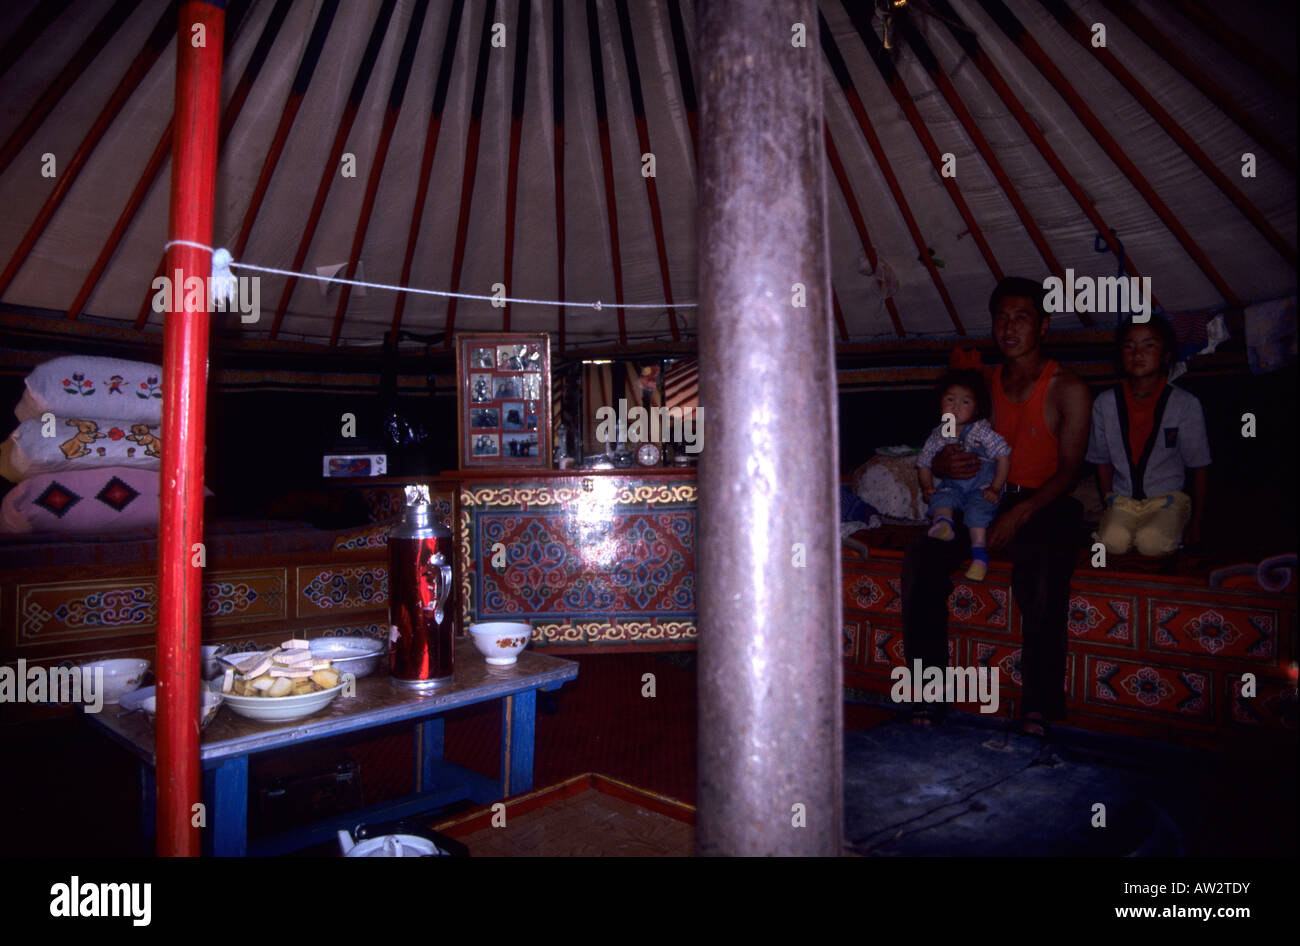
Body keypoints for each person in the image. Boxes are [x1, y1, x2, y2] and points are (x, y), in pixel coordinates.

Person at [902, 277, 1092, 735]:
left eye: (1021, 318)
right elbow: (946, 441)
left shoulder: (1069, 388)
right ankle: (929, 692)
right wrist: (948, 459)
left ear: (1043, 325)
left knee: (1043, 567)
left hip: (1043, 501)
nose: (1008, 328)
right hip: (982, 496)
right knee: (922, 556)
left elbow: (1069, 471)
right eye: (1001, 318)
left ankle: (1038, 704)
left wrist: (1019, 514)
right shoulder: (981, 385)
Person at [1086, 316, 1211, 555]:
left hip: (1167, 499)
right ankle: (1122, 523)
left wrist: (1197, 522)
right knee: (1112, 541)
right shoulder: (1105, 404)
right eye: (1129, 346)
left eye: (1149, 345)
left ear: (1165, 354)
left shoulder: (1184, 404)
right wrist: (1108, 503)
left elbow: (1200, 465)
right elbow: (1101, 461)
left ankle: (1170, 525)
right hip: (1122, 499)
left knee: (1150, 543)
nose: (1138, 353)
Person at [915, 369, 1012, 581]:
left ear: (978, 408)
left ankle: (979, 556)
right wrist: (927, 486)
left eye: (965, 402)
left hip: (981, 486)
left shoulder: (981, 431)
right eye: (950, 399)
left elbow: (1004, 456)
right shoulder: (939, 433)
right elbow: (923, 462)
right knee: (941, 497)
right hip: (955, 486)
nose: (956, 407)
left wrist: (995, 488)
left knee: (976, 513)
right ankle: (943, 524)